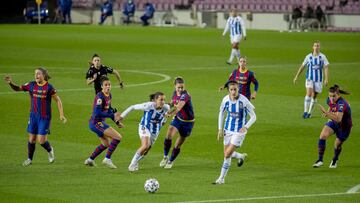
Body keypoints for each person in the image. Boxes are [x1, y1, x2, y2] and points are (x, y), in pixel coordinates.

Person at [4, 68, 67, 166]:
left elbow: (58, 100)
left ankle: (50, 151)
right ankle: (29, 159)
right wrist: (10, 83)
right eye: (35, 74)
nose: (36, 75)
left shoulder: (49, 87)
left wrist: (61, 114)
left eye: (38, 73)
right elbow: (18, 88)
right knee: (31, 139)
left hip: (45, 117)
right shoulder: (31, 85)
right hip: (33, 116)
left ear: (44, 75)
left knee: (41, 141)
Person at [214, 80, 256, 184]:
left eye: (235, 89)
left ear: (238, 89)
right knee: (226, 153)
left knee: (227, 154)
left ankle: (221, 179)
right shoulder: (225, 100)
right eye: (231, 90)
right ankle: (241, 156)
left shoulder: (244, 101)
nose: (233, 92)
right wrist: (220, 128)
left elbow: (254, 116)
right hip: (227, 130)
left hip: (239, 132)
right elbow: (221, 113)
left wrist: (246, 127)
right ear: (228, 90)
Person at [120, 92, 170, 172]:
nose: (163, 102)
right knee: (145, 145)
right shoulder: (148, 105)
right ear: (155, 100)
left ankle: (136, 162)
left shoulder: (166, 107)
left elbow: (166, 116)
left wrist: (164, 120)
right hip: (144, 127)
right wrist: (122, 116)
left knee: (145, 151)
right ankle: (132, 164)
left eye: (164, 100)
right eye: (161, 100)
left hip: (155, 130)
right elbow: (133, 107)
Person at [85, 76, 123, 169]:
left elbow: (109, 109)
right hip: (96, 123)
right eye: (106, 85)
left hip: (98, 123)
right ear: (101, 86)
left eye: (109, 84)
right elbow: (98, 112)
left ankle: (90, 160)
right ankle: (107, 159)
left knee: (106, 144)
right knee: (118, 137)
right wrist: (112, 116)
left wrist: (116, 121)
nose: (108, 86)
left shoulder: (109, 95)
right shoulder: (100, 97)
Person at [313, 85, 352, 168]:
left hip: (344, 127)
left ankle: (335, 159)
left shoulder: (342, 104)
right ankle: (320, 160)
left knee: (337, 145)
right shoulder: (329, 100)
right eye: (330, 96)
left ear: (338, 95)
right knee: (322, 135)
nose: (331, 98)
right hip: (334, 122)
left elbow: (338, 119)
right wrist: (327, 112)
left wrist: (327, 113)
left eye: (334, 96)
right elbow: (331, 107)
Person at [159, 77, 195, 169]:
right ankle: (165, 157)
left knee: (178, 144)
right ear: (175, 86)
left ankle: (171, 161)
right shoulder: (175, 93)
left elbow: (178, 107)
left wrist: (169, 113)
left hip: (188, 122)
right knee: (168, 135)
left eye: (182, 87)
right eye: (179, 87)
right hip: (178, 118)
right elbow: (172, 103)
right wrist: (163, 105)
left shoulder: (185, 95)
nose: (180, 89)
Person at [293, 41, 329, 119]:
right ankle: (305, 112)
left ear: (319, 47)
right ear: (313, 47)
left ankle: (309, 113)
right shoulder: (308, 56)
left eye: (318, 46)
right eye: (315, 46)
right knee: (309, 94)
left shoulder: (323, 57)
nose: (316, 47)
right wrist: (296, 76)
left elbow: (326, 67)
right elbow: (302, 67)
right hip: (309, 78)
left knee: (314, 96)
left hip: (318, 79)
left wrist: (326, 79)